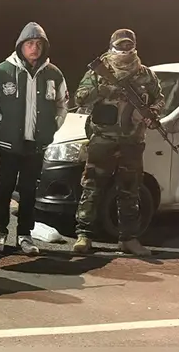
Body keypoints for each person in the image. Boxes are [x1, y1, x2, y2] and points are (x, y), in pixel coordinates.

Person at [71, 29, 164, 257]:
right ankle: (84, 235)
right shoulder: (99, 71)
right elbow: (79, 98)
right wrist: (104, 88)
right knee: (92, 188)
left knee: (130, 191)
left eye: (127, 46)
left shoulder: (145, 75)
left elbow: (160, 99)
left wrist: (152, 113)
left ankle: (128, 238)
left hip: (132, 142)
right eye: (120, 46)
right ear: (112, 46)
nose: (124, 50)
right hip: (103, 140)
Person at [0, 22, 68, 255]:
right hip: (9, 143)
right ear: (21, 46)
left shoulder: (53, 74)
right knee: (4, 188)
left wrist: (53, 127)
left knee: (29, 191)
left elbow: (63, 104)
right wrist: (0, 126)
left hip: (36, 144)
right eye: (30, 43)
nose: (34, 48)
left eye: (38, 44)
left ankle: (25, 235)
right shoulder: (2, 71)